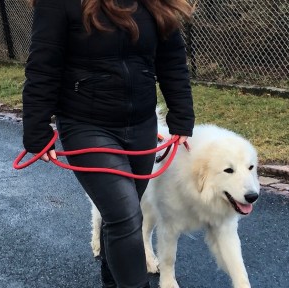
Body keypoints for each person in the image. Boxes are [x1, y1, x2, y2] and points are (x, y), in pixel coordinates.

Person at [22, 0, 195, 287]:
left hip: (141, 126)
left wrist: (182, 115)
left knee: (118, 217)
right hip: (86, 125)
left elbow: (172, 59)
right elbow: (43, 65)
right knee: (126, 215)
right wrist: (36, 128)